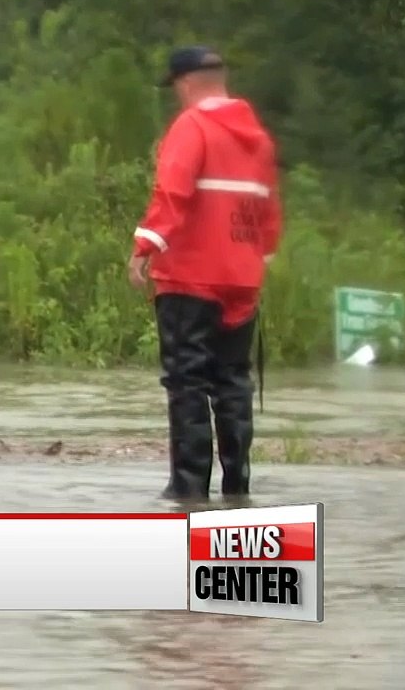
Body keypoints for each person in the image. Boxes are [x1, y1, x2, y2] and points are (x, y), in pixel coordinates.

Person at [129, 46, 284, 501]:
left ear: (186, 83)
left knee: (187, 381)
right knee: (233, 381)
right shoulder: (257, 137)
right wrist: (259, 259)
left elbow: (172, 191)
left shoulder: (191, 126)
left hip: (190, 277)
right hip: (242, 278)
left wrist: (144, 247)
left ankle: (188, 490)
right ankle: (237, 488)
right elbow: (269, 211)